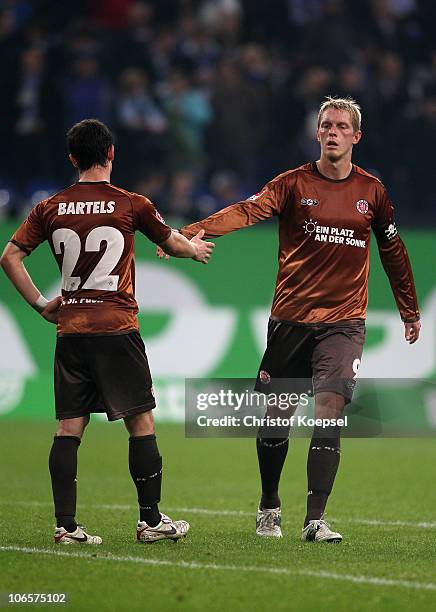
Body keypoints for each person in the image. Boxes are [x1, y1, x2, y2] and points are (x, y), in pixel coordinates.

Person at [175, 97, 421, 542]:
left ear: (355, 136)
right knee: (275, 417)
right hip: (291, 321)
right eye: (326, 125)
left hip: (345, 323)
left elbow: (392, 249)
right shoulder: (292, 184)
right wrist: (196, 230)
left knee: (330, 411)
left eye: (341, 126)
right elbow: (247, 210)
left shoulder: (373, 193)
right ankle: (269, 505)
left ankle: (315, 519)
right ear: (317, 133)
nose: (332, 132)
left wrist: (409, 308)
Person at [0, 118, 214, 545]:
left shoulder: (50, 207)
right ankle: (151, 522)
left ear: (73, 158)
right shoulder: (131, 203)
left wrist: (43, 305)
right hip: (116, 328)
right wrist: (194, 249)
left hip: (71, 331)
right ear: (112, 153)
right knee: (141, 423)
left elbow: (9, 257)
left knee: (68, 428)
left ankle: (66, 527)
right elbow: (171, 242)